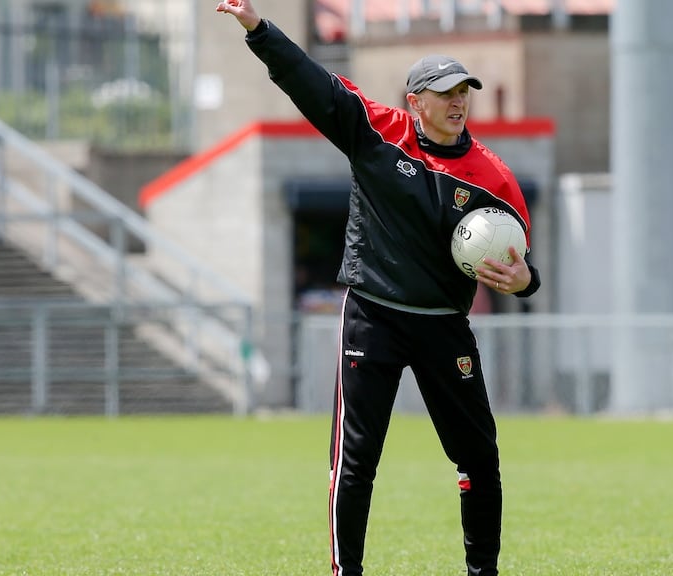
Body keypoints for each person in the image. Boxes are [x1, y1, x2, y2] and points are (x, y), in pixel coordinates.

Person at [216, 2, 541, 575]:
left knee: (478, 459)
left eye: (464, 91)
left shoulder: (494, 178)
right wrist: (259, 30)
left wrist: (526, 280)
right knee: (356, 460)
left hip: (444, 324)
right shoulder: (376, 132)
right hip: (374, 315)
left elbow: (522, 267)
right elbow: (309, 81)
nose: (457, 101)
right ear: (415, 102)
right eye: (444, 93)